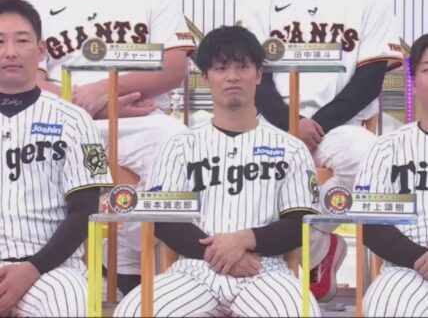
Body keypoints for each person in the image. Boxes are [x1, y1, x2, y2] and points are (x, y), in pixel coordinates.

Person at [22, 0, 195, 295]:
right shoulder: (35, 2)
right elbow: (30, 81)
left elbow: (174, 67)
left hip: (143, 121)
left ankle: (152, 270)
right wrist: (94, 106)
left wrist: (105, 89)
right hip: (67, 124)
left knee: (180, 143)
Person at [242, 0, 403, 301]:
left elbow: (369, 79)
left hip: (341, 127)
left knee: (373, 160)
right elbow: (255, 77)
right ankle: (316, 253)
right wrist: (291, 124)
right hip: (274, 127)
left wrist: (314, 126)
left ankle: (322, 246)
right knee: (247, 189)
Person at [113, 25, 321, 317]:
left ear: (259, 74)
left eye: (242, 67)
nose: (232, 76)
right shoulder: (179, 146)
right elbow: (163, 220)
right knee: (134, 311)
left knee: (298, 312)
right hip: (193, 270)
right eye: (221, 68)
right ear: (206, 77)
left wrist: (245, 239)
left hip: (264, 269)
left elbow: (299, 224)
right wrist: (219, 255)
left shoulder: (291, 148)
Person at [0, 0, 112, 317]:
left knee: (69, 304)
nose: (10, 51)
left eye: (22, 40)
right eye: (0, 41)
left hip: (53, 269)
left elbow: (85, 210)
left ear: (40, 51)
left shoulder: (75, 119)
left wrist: (33, 267)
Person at [355, 34, 428, 317]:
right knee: (387, 305)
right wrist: (419, 257)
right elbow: (369, 222)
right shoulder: (386, 147)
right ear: (414, 82)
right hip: (406, 268)